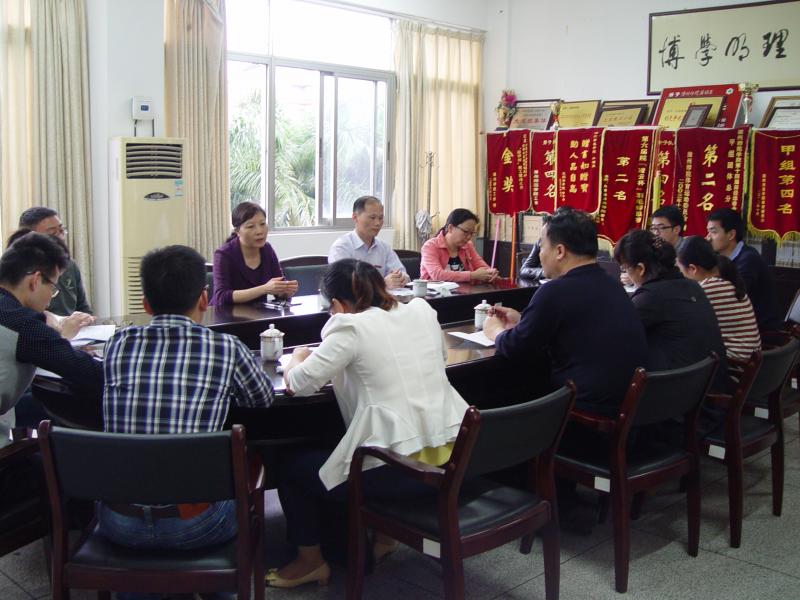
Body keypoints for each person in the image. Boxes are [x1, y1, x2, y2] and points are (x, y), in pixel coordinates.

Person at [272, 259, 468, 588]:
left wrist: (298, 357)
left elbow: (299, 384)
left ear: (337, 305)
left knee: (291, 468)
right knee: (371, 436)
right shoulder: (421, 310)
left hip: (403, 472)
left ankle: (310, 562)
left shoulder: (349, 326)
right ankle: (384, 539)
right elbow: (440, 359)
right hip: (452, 459)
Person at [98, 245, 275, 597]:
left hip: (119, 522)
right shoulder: (226, 348)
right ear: (204, 299)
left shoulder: (117, 344)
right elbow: (262, 399)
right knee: (239, 483)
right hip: (196, 524)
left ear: (146, 304)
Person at [483, 207, 646, 416]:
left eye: (542, 246)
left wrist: (495, 331)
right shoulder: (612, 284)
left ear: (559, 251)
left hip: (584, 410)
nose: (540, 253)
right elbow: (579, 327)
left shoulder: (554, 291)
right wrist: (524, 320)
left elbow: (516, 347)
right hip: (626, 405)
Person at [0, 232, 103, 444]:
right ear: (35, 280)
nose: (50, 298)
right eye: (53, 288)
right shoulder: (25, 325)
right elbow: (88, 372)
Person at [614, 230, 728, 390]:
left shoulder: (652, 296)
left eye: (625, 268)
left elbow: (615, 335)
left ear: (640, 268)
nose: (626, 273)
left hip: (677, 391)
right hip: (706, 383)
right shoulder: (692, 286)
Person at [677, 236, 761, 361]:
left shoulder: (707, 289)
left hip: (734, 364)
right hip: (746, 359)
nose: (681, 275)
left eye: (680, 270)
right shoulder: (724, 279)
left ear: (693, 269)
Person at [706, 208, 780, 331]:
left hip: (760, 331)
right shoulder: (719, 258)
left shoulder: (748, 258)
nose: (708, 238)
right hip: (736, 324)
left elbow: (734, 296)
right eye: (708, 232)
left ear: (731, 234)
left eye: (713, 232)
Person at [211, 201, 298, 306]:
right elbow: (221, 296)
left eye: (262, 224)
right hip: (225, 314)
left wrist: (285, 291)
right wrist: (264, 289)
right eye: (251, 226)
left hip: (258, 313)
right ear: (237, 231)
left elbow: (278, 287)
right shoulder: (223, 254)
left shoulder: (267, 250)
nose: (259, 231)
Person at [18, 206, 92, 316]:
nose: (61, 238)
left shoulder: (70, 265)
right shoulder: (15, 271)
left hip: (72, 326)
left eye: (62, 231)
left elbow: (83, 307)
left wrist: (86, 319)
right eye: (53, 234)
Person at [328, 196, 409, 289]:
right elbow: (343, 284)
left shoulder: (384, 247)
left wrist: (400, 278)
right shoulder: (341, 247)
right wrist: (382, 284)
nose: (377, 223)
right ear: (355, 217)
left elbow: (403, 274)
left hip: (385, 297)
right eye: (372, 218)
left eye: (380, 218)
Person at [420, 208, 499, 283]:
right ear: (450, 228)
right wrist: (472, 275)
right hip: (434, 292)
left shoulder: (467, 245)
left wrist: (490, 272)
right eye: (466, 232)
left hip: (464, 291)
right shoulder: (430, 246)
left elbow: (481, 266)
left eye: (472, 233)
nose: (469, 237)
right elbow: (437, 275)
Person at [620, 205, 686, 287]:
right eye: (653, 228)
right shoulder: (653, 247)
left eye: (661, 228)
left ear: (676, 229)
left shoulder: (689, 249)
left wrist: (639, 278)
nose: (655, 233)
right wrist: (634, 275)